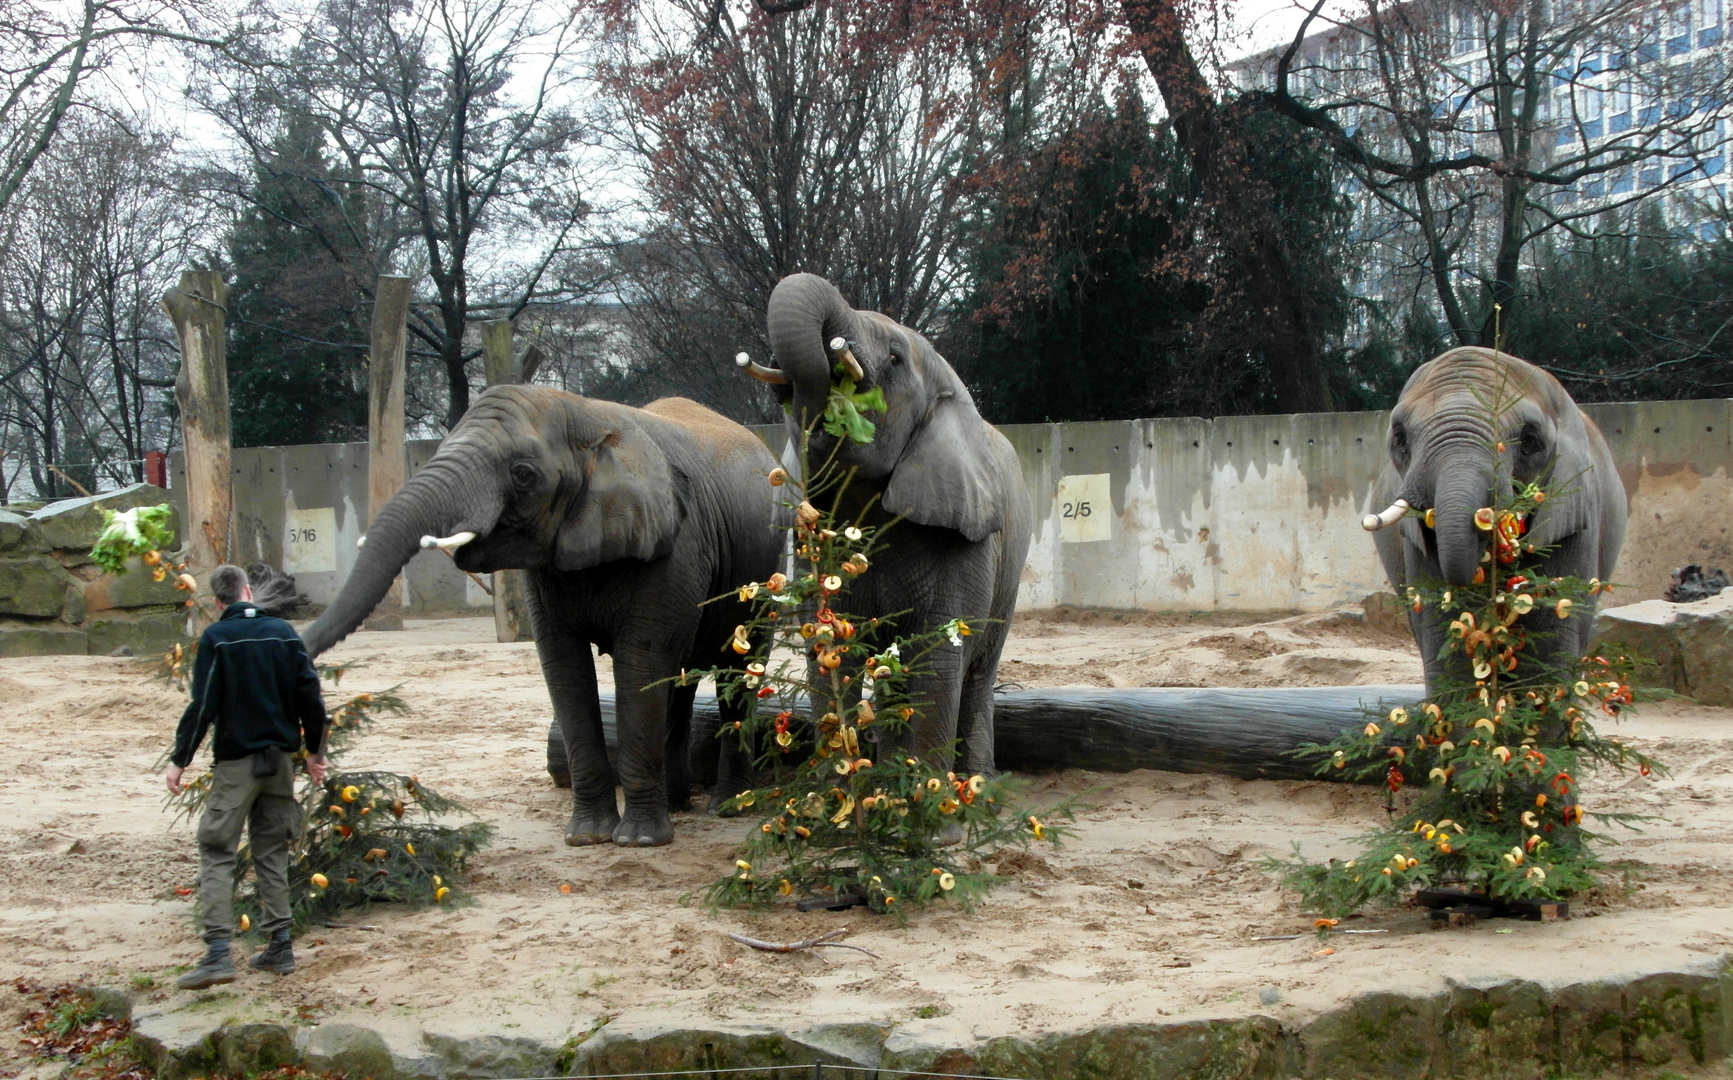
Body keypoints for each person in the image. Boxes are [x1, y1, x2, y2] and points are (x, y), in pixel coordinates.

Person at [164, 564, 329, 990]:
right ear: (248, 591)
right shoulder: (284, 634)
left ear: (219, 602)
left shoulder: (217, 638)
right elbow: (310, 697)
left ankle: (218, 952)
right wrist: (314, 753)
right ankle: (280, 945)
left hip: (237, 762)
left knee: (216, 847)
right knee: (271, 849)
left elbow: (203, 706)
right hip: (279, 763)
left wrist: (180, 759)